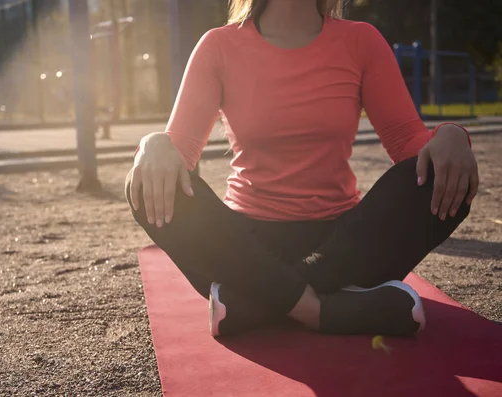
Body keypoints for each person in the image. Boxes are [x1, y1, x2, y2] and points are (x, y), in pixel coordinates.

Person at [125, 0, 478, 337]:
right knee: (145, 182)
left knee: (447, 177)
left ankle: (260, 303)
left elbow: (407, 142)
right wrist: (154, 143)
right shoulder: (218, 45)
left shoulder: (361, 41)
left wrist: (451, 135)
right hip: (243, 247)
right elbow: (180, 151)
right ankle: (323, 309)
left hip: (343, 248)